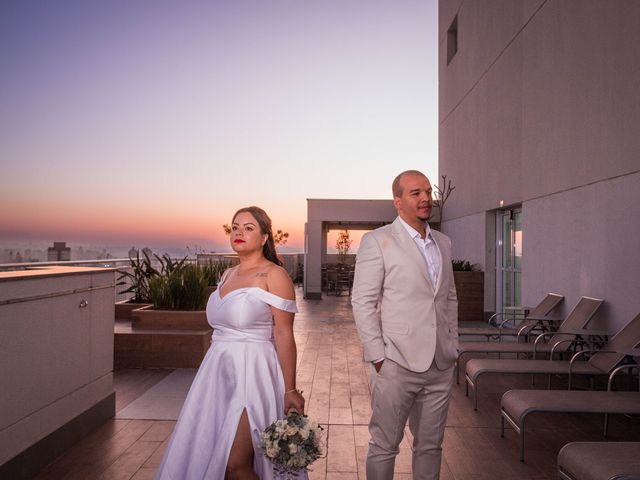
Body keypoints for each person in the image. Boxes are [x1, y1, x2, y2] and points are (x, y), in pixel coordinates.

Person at [156, 206, 305, 480]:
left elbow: (284, 335)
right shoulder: (227, 274)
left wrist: (290, 389)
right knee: (215, 456)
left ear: (264, 238)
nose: (239, 232)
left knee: (234, 466)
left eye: (249, 228)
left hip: (253, 373)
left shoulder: (274, 275)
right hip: (216, 373)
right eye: (235, 227)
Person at [351, 170, 459, 480]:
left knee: (431, 447)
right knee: (385, 445)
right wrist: (379, 357)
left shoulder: (444, 242)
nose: (426, 198)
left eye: (427, 192)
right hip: (395, 363)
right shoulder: (378, 241)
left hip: (440, 364)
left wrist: (453, 343)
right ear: (398, 202)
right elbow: (363, 301)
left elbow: (449, 297)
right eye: (416, 193)